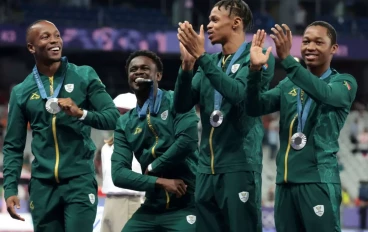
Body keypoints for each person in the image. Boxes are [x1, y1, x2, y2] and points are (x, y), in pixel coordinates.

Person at [2, 20, 120, 232]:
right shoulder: (21, 91)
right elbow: (13, 145)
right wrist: (10, 187)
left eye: (57, 35)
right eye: (46, 37)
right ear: (31, 47)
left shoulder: (84, 75)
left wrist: (81, 113)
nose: (55, 41)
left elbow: (113, 118)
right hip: (42, 186)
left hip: (79, 181)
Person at [246, 21, 357, 231]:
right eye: (306, 41)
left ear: (333, 48)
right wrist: (254, 71)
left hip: (318, 181)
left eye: (318, 42)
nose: (310, 47)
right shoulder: (288, 84)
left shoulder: (343, 82)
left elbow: (324, 93)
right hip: (285, 184)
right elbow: (254, 107)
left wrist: (287, 60)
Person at [174, 0, 275, 231]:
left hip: (238, 166)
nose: (208, 25)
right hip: (206, 169)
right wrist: (187, 68)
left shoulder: (257, 56)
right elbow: (181, 105)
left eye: (214, 19)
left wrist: (202, 59)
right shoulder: (211, 63)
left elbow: (239, 95)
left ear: (236, 23)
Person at [111, 50, 199, 232]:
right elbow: (118, 174)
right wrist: (159, 182)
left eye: (145, 68)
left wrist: (153, 167)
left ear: (158, 75)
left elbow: (188, 141)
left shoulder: (177, 100)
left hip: (188, 203)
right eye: (133, 69)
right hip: (152, 206)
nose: (138, 72)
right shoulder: (124, 122)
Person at [101, 92, 145, 232]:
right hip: (109, 201)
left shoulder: (143, 144)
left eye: (125, 112)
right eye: (118, 112)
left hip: (129, 201)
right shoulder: (106, 147)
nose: (120, 116)